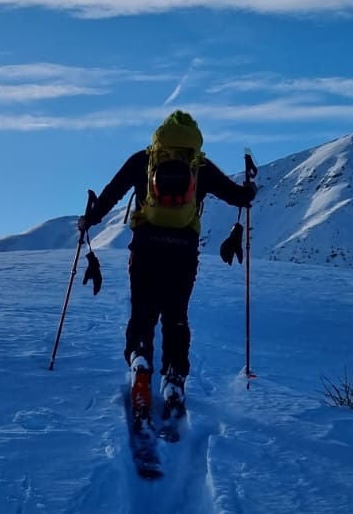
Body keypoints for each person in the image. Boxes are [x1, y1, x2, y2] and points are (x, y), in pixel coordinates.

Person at [76, 110, 256, 419]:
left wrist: (89, 219)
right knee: (176, 315)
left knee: (143, 312)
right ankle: (174, 377)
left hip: (146, 246)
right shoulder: (199, 166)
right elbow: (239, 197)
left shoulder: (144, 160)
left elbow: (111, 194)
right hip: (183, 251)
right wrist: (250, 187)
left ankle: (140, 360)